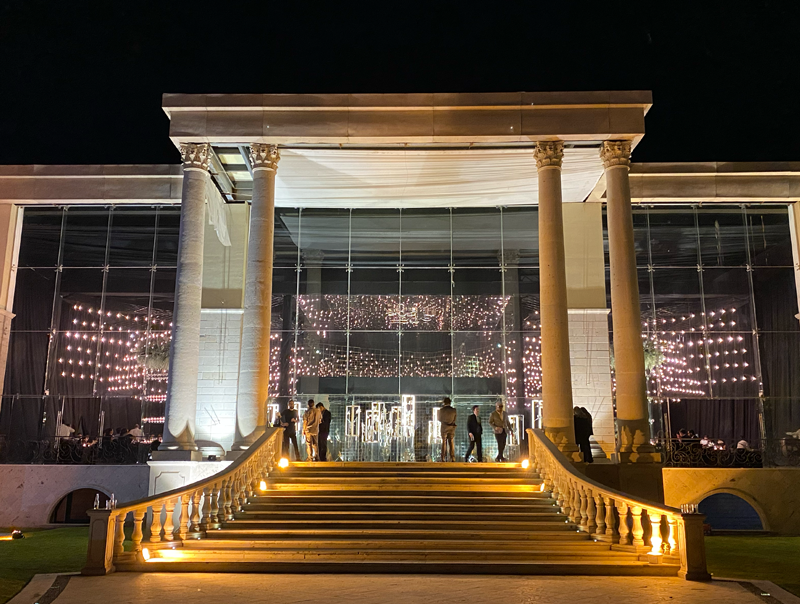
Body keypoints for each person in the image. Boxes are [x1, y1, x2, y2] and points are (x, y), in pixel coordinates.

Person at [438, 397, 457, 462]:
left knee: (444, 441)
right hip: (451, 427)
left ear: (444, 403)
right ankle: (452, 457)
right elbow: (455, 419)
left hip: (444, 427)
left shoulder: (441, 410)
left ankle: (443, 457)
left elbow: (439, 419)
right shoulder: (454, 410)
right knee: (451, 441)